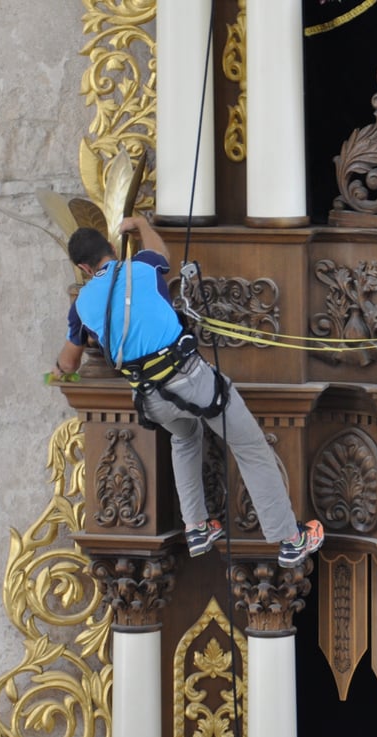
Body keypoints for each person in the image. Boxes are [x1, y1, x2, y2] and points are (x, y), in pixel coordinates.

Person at [54, 215, 324, 568]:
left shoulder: (82, 305)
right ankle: (290, 539)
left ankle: (196, 527)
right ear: (111, 250)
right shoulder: (143, 267)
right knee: (250, 447)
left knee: (185, 437)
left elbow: (69, 363)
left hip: (152, 398)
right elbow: (161, 252)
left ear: (83, 268)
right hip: (191, 379)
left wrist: (55, 375)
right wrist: (141, 225)